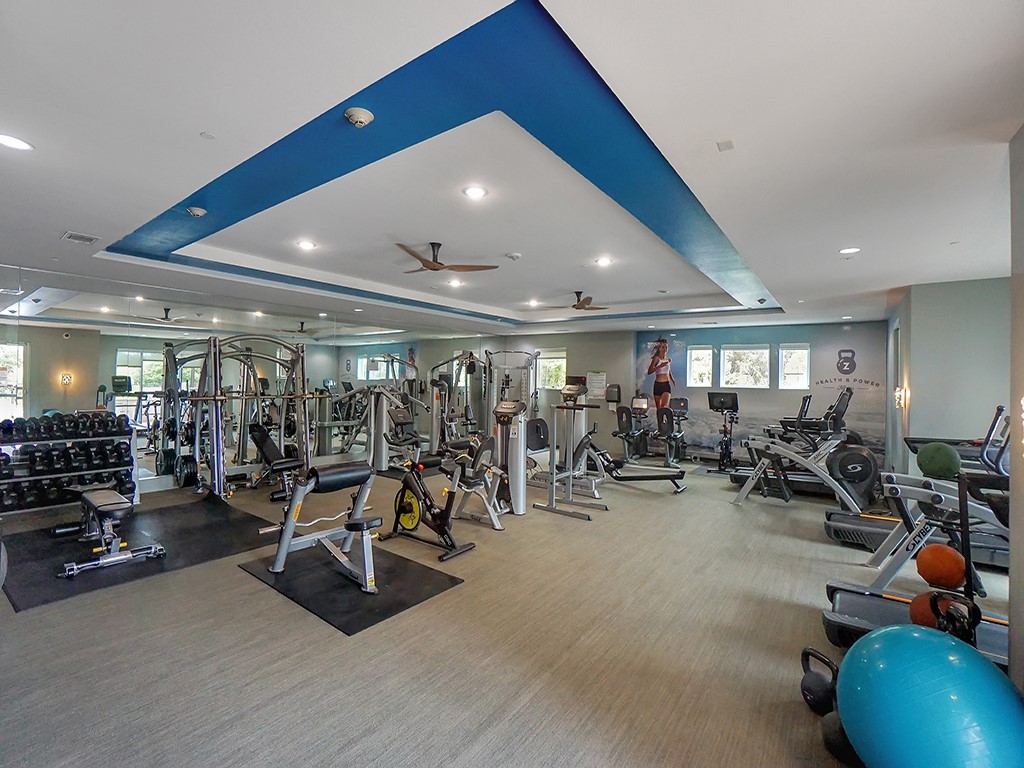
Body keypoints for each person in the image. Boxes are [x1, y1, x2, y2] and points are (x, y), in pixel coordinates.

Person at [647, 337, 675, 409]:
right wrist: (659, 366)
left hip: (666, 384)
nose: (665, 349)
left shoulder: (668, 359)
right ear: (659, 348)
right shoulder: (656, 358)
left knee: (664, 406)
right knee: (659, 408)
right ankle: (660, 416)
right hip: (658, 385)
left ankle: (665, 416)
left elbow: (668, 370)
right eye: (663, 347)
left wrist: (672, 379)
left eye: (666, 347)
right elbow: (649, 371)